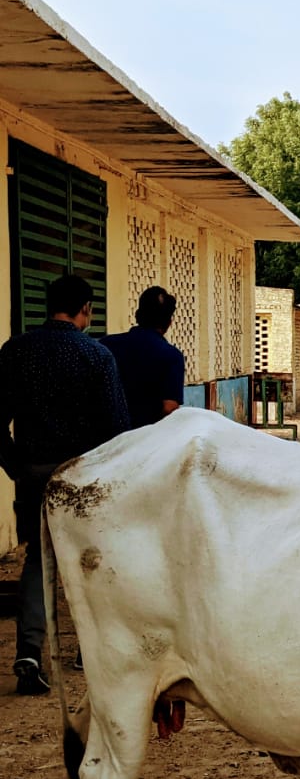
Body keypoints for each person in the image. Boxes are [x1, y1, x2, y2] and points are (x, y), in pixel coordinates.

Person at [0, 272, 130, 695]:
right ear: (86, 310)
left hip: (35, 471)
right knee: (90, 557)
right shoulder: (96, 355)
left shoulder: (15, 351)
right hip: (83, 474)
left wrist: (16, 465)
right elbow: (116, 427)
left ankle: (31, 651)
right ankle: (88, 651)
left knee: (39, 559)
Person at [100, 286, 185, 428]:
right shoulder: (172, 356)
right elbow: (169, 408)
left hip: (108, 438)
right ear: (169, 323)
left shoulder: (106, 345)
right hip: (146, 440)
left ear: (137, 315)